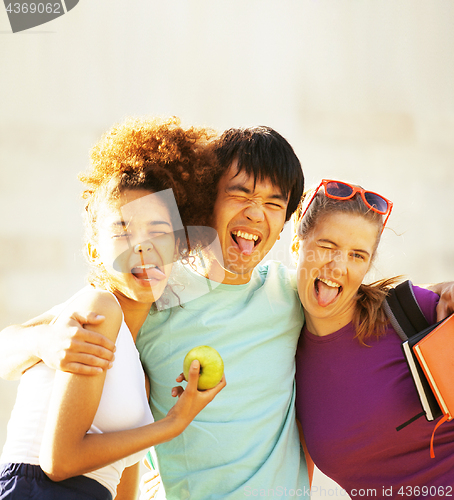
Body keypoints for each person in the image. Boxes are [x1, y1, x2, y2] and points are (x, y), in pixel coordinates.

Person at [2, 128, 454, 499]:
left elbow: (355, 291)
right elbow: (12, 344)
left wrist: (438, 293)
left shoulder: (291, 295)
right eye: (240, 195)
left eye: (274, 205)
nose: (256, 214)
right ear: (207, 202)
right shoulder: (151, 290)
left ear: (284, 228)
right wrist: (41, 341)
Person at [0, 117, 225, 500]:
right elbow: (61, 462)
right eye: (123, 231)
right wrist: (173, 424)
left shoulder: (141, 370)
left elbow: (122, 491)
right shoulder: (99, 307)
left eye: (158, 232)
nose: (143, 246)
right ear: (93, 250)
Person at [293, 179, 454, 497]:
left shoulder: (411, 313)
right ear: (297, 245)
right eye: (327, 246)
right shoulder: (282, 351)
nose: (337, 267)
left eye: (357, 255)